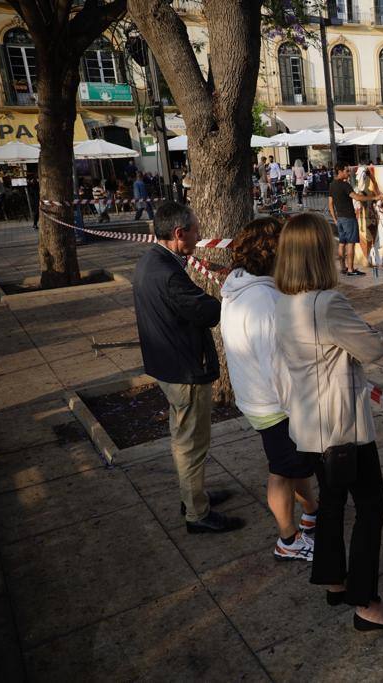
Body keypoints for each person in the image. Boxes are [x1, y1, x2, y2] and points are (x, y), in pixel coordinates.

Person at [274, 212, 383, 631]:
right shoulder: (327, 303)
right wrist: (369, 332)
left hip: (309, 424)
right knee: (372, 506)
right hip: (341, 428)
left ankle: (334, 581)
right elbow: (374, 348)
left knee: (333, 504)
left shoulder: (285, 301)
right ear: (321, 254)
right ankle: (366, 603)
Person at [132, 201, 244, 534]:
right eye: (195, 230)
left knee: (184, 439)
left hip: (170, 364)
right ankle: (197, 513)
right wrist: (233, 295)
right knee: (192, 444)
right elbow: (208, 311)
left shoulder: (152, 261)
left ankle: (194, 495)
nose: (199, 236)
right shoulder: (167, 274)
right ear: (179, 233)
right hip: (184, 370)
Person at [221, 217, 318, 561]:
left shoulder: (239, 284)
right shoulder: (262, 299)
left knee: (294, 465)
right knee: (282, 471)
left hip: (257, 396)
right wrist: (300, 407)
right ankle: (288, 541)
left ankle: (311, 515)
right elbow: (275, 362)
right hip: (275, 403)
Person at [328, 163, 380, 277]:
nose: (348, 173)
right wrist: (374, 197)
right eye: (346, 171)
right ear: (340, 172)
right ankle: (351, 270)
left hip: (340, 219)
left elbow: (330, 204)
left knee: (342, 243)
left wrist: (335, 219)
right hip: (349, 218)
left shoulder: (332, 185)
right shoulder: (345, 185)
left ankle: (343, 268)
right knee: (350, 244)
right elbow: (357, 197)